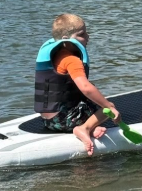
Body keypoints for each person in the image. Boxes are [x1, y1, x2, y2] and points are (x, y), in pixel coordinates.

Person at [35, 13, 120, 156]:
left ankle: (90, 128)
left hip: (49, 121)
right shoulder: (71, 59)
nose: (88, 36)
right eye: (82, 34)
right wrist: (108, 106)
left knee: (90, 101)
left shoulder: (54, 56)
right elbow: (85, 88)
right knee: (108, 108)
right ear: (65, 39)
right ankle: (85, 128)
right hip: (66, 120)